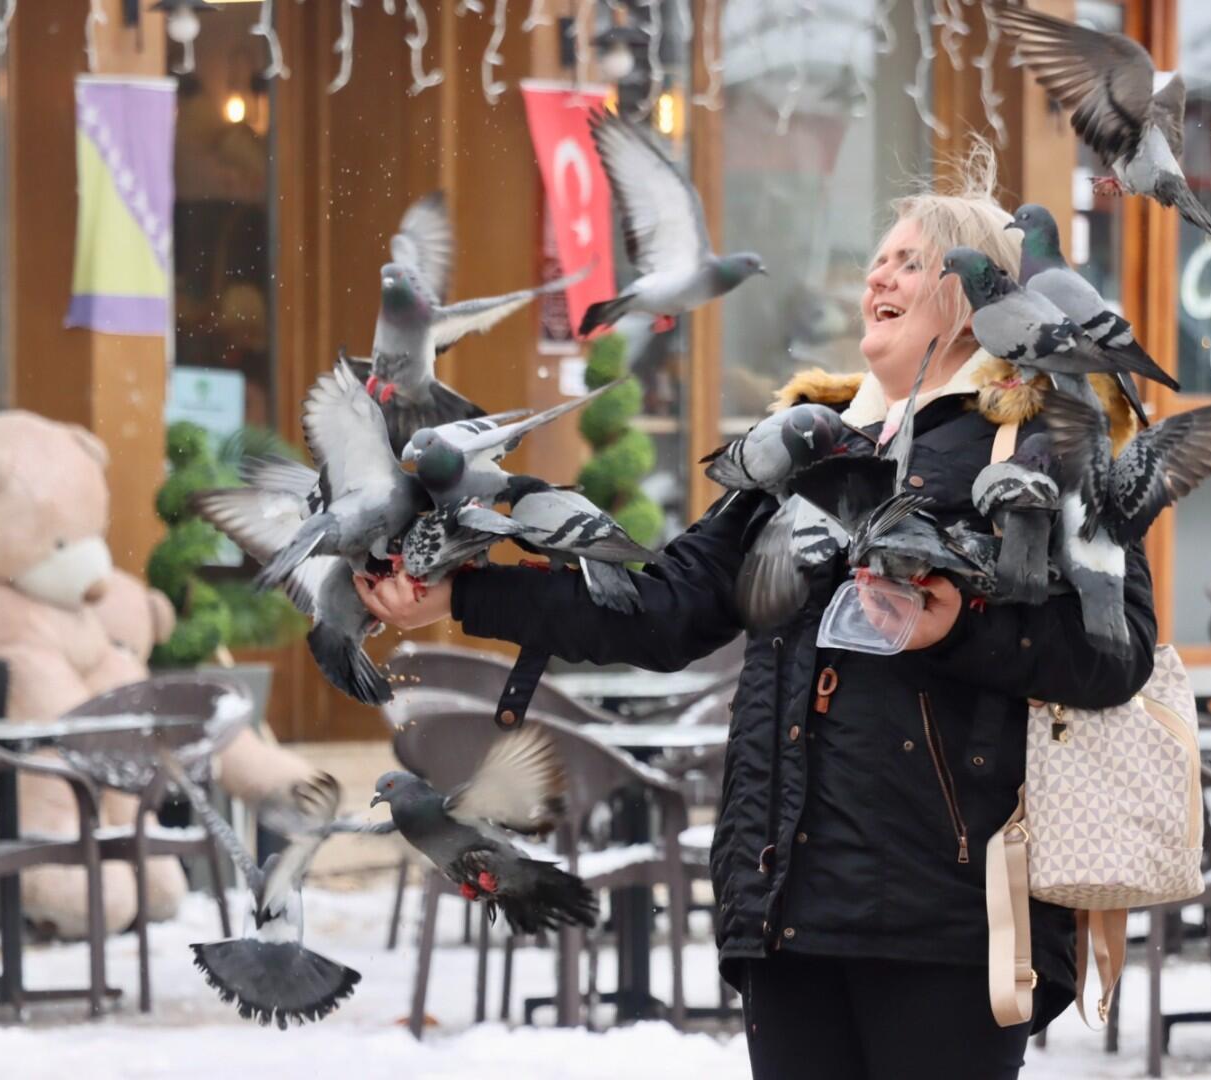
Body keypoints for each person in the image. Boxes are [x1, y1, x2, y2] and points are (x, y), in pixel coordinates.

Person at [358, 141, 1157, 1080]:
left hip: (947, 916)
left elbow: (1118, 651)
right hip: (784, 906)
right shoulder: (804, 448)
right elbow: (663, 609)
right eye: (878, 259)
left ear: (973, 298)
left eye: (910, 260)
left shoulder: (1039, 444)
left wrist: (959, 628)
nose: (878, 276)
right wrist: (463, 592)